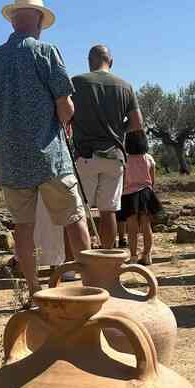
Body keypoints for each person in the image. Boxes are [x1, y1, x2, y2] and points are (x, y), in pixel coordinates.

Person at [0, 0, 91, 298]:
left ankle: (33, 291)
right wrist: (64, 124)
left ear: (14, 20)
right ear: (39, 21)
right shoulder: (46, 51)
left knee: (23, 229)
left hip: (10, 159)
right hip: (50, 154)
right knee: (74, 219)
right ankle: (90, 286)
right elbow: (65, 105)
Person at [71, 44, 143, 249]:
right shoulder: (125, 85)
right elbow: (138, 122)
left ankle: (78, 263)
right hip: (114, 156)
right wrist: (119, 131)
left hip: (85, 155)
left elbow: (65, 113)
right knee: (108, 210)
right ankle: (107, 258)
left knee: (78, 212)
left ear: (89, 61)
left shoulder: (77, 83)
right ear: (110, 62)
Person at [117, 129, 161, 265]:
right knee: (146, 226)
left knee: (132, 228)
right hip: (146, 194)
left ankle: (134, 256)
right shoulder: (148, 158)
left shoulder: (124, 159)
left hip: (129, 195)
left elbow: (121, 179)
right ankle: (147, 255)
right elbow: (153, 179)